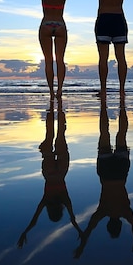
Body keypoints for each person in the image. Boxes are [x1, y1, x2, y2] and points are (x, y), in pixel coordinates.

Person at [73, 98, 133, 258]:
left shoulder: (125, 212)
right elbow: (89, 229)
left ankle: (122, 106)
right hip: (105, 173)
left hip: (120, 173)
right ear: (108, 224)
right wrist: (82, 245)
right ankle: (104, 106)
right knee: (104, 133)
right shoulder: (103, 212)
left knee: (121, 134)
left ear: (118, 223)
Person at [14, 0, 79, 99]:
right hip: (60, 25)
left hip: (46, 25)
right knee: (60, 61)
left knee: (48, 62)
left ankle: (51, 92)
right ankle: (60, 90)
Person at [17, 100, 82, 249]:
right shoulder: (45, 201)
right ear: (50, 211)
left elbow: (73, 218)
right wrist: (25, 232)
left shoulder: (64, 200)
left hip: (61, 173)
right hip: (48, 172)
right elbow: (34, 219)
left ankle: (59, 110)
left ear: (59, 211)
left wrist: (80, 232)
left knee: (60, 135)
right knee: (49, 136)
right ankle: (51, 111)